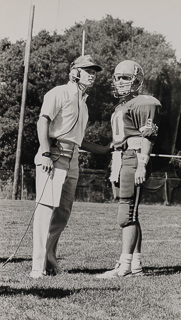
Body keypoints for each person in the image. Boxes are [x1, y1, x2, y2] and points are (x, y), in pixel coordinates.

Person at [30, 55, 110, 279]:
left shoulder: (83, 105)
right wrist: (45, 153)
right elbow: (43, 121)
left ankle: (50, 262)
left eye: (94, 71)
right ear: (74, 72)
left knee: (62, 214)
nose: (92, 75)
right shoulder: (59, 92)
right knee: (45, 211)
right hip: (53, 154)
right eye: (88, 71)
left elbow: (80, 140)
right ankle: (37, 268)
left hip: (72, 158)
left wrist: (104, 149)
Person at [96, 60, 162, 278]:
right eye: (117, 77)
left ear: (137, 80)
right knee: (131, 213)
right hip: (121, 158)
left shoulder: (144, 103)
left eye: (125, 77)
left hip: (134, 158)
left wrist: (142, 164)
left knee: (126, 214)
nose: (120, 82)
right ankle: (135, 266)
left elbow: (148, 136)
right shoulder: (122, 105)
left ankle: (124, 267)